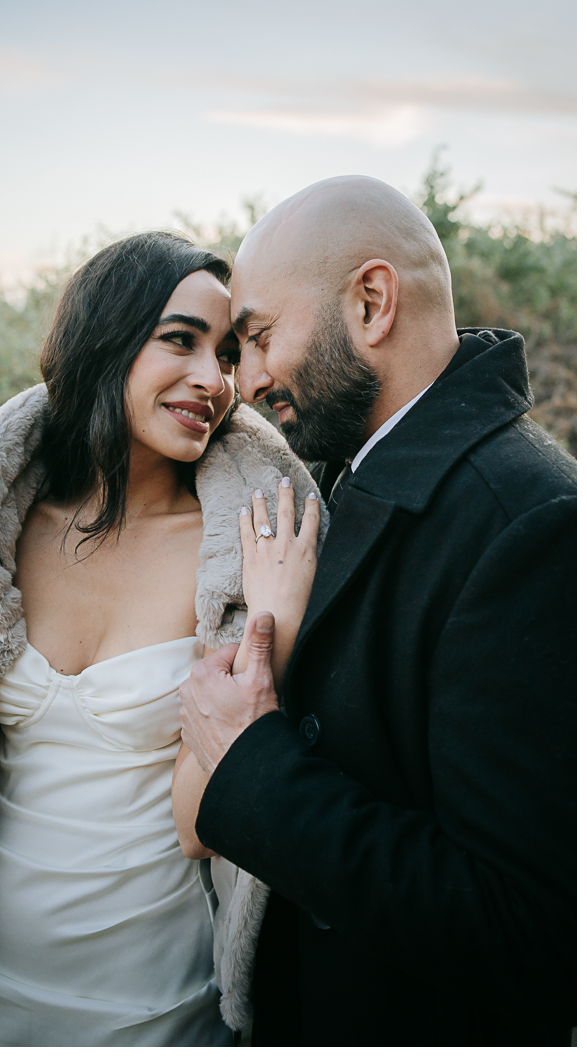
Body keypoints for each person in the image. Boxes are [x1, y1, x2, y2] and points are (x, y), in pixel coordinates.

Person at [0, 231, 327, 1046]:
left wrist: (274, 626)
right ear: (105, 337)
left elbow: (204, 823)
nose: (213, 380)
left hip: (155, 1013)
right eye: (180, 341)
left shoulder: (246, 555)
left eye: (226, 354)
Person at [178, 177, 576, 1046]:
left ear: (371, 302)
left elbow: (530, 932)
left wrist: (253, 763)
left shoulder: (530, 527)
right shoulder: (351, 469)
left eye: (259, 337)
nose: (247, 383)